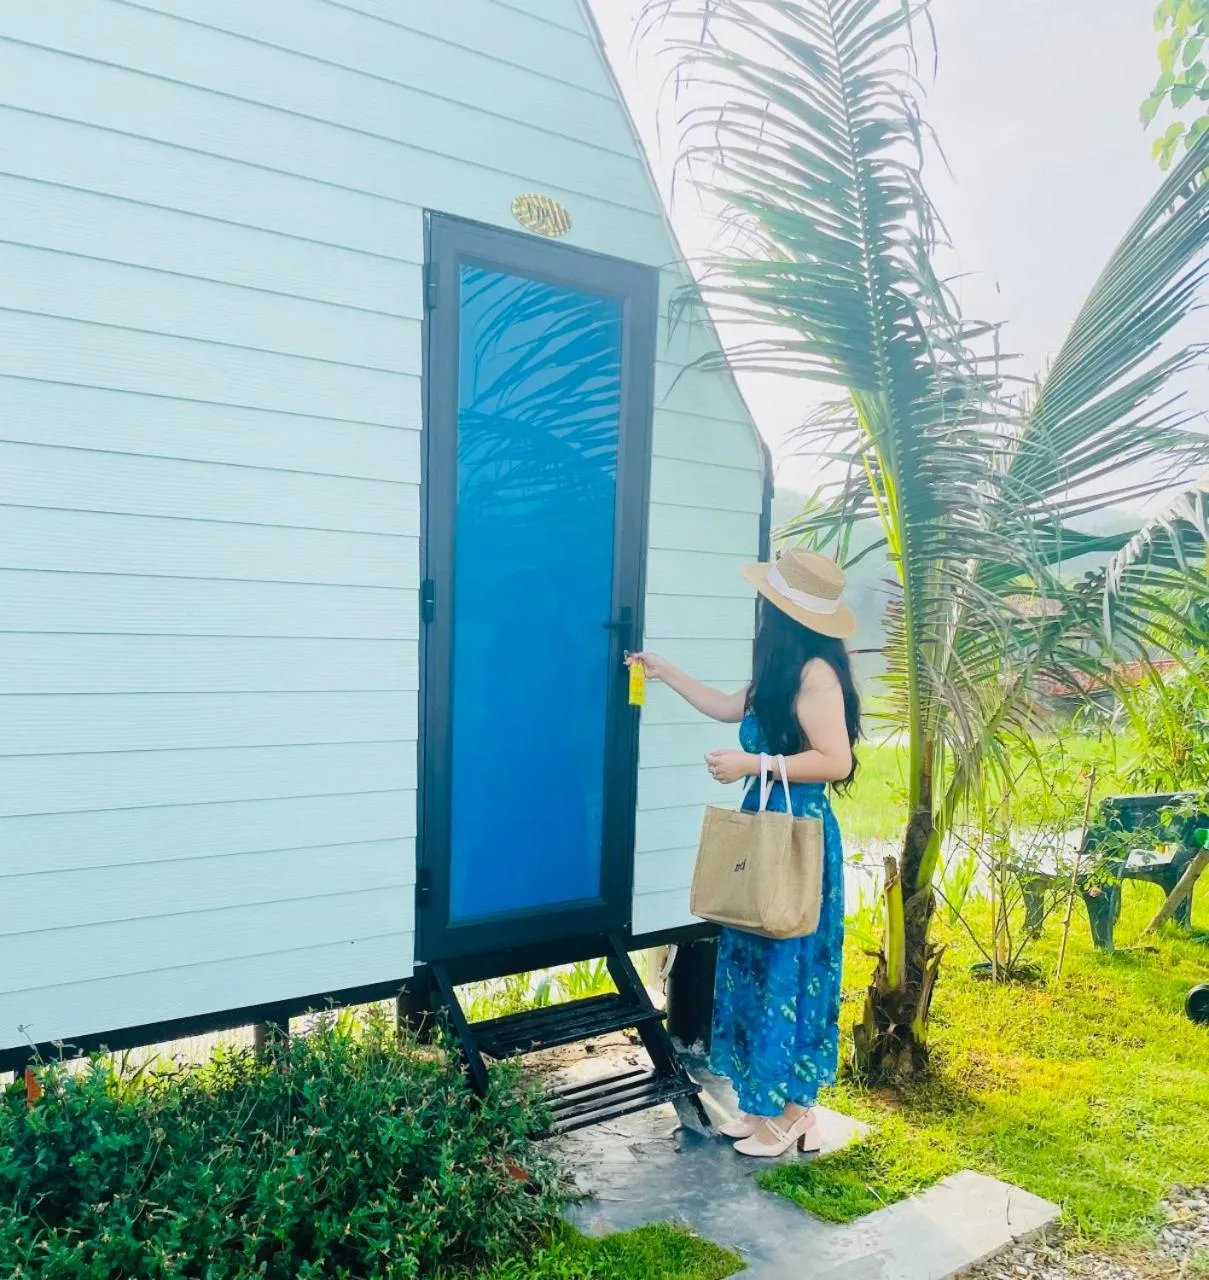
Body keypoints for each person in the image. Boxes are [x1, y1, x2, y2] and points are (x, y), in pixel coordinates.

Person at [628, 548, 860, 1158]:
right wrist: (665, 671)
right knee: (757, 963)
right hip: (767, 829)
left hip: (797, 838)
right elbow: (731, 708)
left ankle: (795, 1112)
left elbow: (836, 761)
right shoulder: (782, 667)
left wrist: (753, 764)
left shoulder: (816, 673)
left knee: (790, 966)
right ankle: (763, 1107)